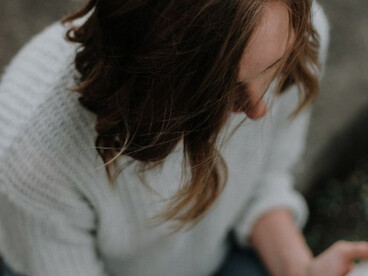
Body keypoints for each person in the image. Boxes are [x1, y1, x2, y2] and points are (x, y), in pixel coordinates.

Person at [0, 0, 365, 275]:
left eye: (271, 72)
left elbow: (262, 181)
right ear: (162, 80)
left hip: (218, 255)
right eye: (224, 90)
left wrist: (300, 269)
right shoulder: (31, 162)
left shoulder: (295, 30)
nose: (258, 110)